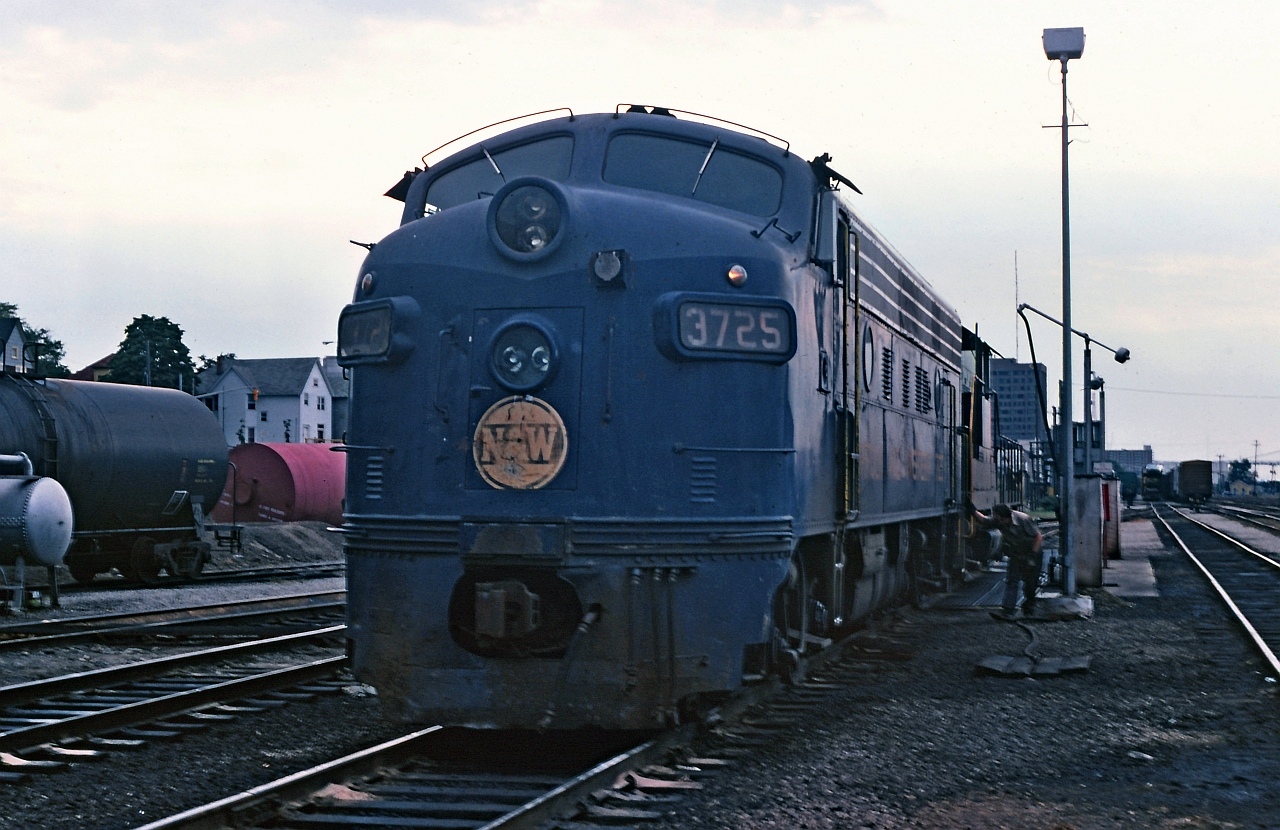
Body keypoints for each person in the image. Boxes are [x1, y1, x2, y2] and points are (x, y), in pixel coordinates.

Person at [969, 502, 1044, 620]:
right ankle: (1008, 610)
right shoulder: (999, 521)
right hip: (1016, 553)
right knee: (1012, 581)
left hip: (1031, 552)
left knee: (1030, 582)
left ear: (1004, 517)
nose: (995, 519)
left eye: (997, 517)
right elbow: (985, 520)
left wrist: (1032, 556)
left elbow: (1038, 537)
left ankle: (1030, 606)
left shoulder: (1022, 519)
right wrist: (972, 510)